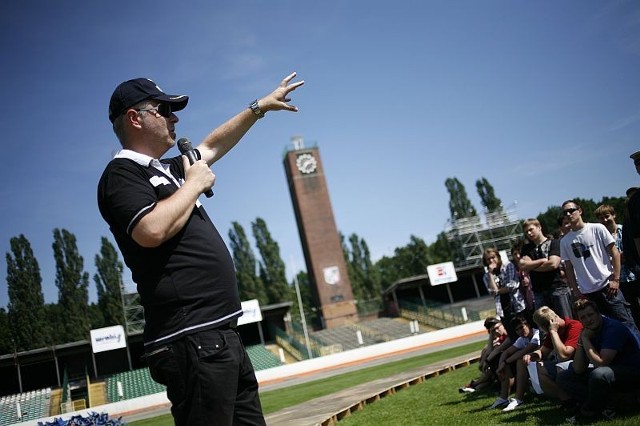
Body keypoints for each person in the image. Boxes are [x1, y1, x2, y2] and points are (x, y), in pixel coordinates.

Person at [97, 73, 304, 426]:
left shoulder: (168, 169)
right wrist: (193, 184)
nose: (175, 118)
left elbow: (211, 146)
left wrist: (258, 108)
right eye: (164, 109)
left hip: (219, 332)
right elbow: (150, 230)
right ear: (135, 118)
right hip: (190, 336)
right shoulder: (121, 174)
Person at [559, 200, 639, 335]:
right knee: (604, 330)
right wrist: (577, 292)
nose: (568, 214)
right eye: (565, 212)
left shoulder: (597, 228)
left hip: (609, 286)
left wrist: (616, 279)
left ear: (580, 211)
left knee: (626, 324)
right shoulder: (565, 241)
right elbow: (568, 269)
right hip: (588, 293)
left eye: (571, 210)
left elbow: (615, 253)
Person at [557, 299, 640, 422]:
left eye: (590, 315)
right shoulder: (588, 332)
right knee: (564, 377)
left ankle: (588, 412)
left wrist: (585, 339)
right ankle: (610, 404)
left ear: (598, 313)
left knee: (599, 374)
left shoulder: (613, 328)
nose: (588, 320)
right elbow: (579, 369)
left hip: (632, 371)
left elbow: (601, 363)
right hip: (611, 373)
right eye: (583, 317)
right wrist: (582, 341)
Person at [595, 204, 640, 329]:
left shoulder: (625, 230)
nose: (605, 220)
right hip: (619, 281)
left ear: (614, 215)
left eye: (607, 216)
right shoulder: (600, 238)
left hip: (634, 275)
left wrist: (615, 258)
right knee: (631, 312)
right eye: (601, 218)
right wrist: (618, 257)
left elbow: (631, 253)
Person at [529, 306, 582, 406]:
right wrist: (533, 355)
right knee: (538, 367)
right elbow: (543, 351)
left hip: (580, 364)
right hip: (567, 365)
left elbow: (565, 355)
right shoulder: (553, 332)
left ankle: (574, 400)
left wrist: (553, 332)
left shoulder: (574, 326)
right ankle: (567, 399)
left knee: (560, 367)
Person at [520, 219, 573, 319]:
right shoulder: (526, 249)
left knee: (566, 321)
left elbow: (553, 264)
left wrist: (531, 266)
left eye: (531, 229)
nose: (529, 233)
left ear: (539, 227)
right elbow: (523, 266)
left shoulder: (554, 243)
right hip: (538, 292)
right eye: (526, 232)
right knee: (544, 328)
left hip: (557, 288)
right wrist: (542, 261)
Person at [489, 316, 541, 411]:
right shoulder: (522, 338)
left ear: (528, 325)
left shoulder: (537, 334)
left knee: (520, 360)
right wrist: (501, 367)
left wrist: (504, 363)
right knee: (506, 360)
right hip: (534, 368)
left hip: (544, 365)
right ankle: (504, 398)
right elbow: (506, 352)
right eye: (517, 330)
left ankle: (518, 399)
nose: (520, 331)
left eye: (521, 327)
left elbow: (525, 351)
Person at [482, 248, 527, 339]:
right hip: (503, 309)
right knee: (513, 336)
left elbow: (512, 285)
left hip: (517, 305)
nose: (491, 260)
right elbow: (492, 291)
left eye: (493, 257)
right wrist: (490, 273)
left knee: (525, 329)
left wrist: (498, 290)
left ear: (497, 256)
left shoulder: (508, 266)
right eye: (488, 259)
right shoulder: (486, 276)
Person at [459, 316, 512, 393]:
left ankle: (473, 384)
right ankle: (474, 388)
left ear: (502, 324)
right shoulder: (500, 337)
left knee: (489, 374)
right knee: (489, 376)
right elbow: (489, 350)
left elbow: (497, 350)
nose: (496, 331)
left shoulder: (509, 335)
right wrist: (491, 335)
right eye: (493, 330)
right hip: (502, 364)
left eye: (497, 328)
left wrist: (485, 362)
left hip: (508, 364)